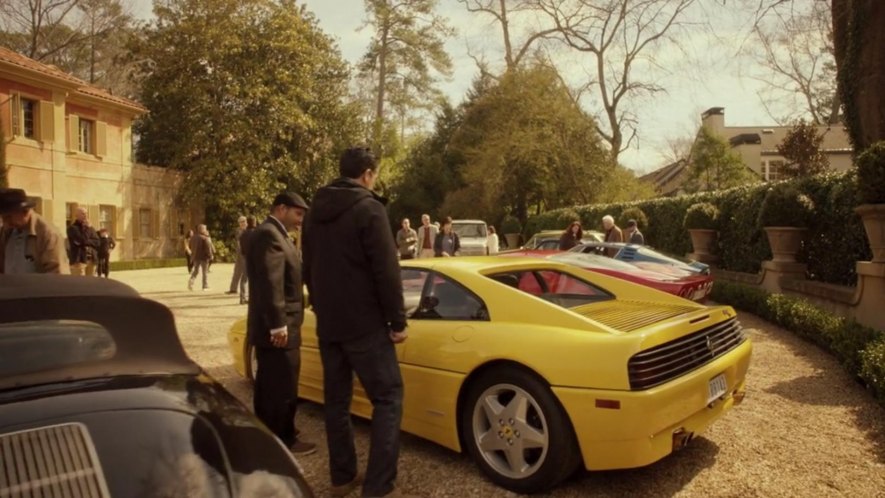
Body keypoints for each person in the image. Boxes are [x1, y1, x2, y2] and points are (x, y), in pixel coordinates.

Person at [302, 147, 409, 498]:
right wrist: (397, 321)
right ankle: (378, 487)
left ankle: (342, 477)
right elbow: (386, 271)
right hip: (365, 325)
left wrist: (318, 304)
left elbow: (308, 266)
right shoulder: (369, 208)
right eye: (374, 175)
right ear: (367, 174)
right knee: (389, 397)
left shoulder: (314, 212)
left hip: (329, 324)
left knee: (336, 402)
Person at [246, 192, 316, 456]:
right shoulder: (269, 235)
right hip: (279, 327)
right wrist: (278, 325)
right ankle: (284, 439)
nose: (300, 221)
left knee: (270, 382)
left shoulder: (276, 233)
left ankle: (269, 431)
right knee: (283, 384)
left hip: (278, 325)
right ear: (281, 208)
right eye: (298, 214)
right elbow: (271, 283)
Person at [0, 188, 69, 274]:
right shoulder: (6, 231)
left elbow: (57, 273)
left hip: (36, 287)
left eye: (8, 217)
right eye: (3, 218)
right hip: (11, 286)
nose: (6, 223)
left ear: (25, 211)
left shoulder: (48, 233)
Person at [67, 207, 99, 276]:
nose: (86, 215)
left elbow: (97, 242)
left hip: (91, 259)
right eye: (83, 214)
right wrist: (87, 229)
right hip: (79, 260)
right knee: (79, 284)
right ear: (77, 215)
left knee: (91, 284)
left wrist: (86, 241)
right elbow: (82, 239)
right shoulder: (73, 228)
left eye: (86, 213)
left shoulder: (90, 228)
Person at [237, 216, 257, 304]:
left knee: (244, 279)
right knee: (254, 279)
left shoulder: (243, 234)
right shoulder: (256, 233)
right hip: (255, 257)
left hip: (246, 257)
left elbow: (241, 248)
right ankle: (253, 298)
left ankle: (242, 298)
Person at [188, 224, 214, 290]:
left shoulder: (193, 238)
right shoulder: (205, 238)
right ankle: (205, 286)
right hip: (204, 257)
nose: (206, 230)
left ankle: (191, 281)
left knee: (196, 271)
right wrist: (210, 255)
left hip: (195, 257)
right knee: (204, 272)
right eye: (205, 229)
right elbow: (208, 248)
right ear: (202, 229)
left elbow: (190, 246)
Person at [227, 216, 248, 296]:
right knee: (237, 271)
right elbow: (238, 241)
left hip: (245, 254)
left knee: (246, 273)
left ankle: (246, 292)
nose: (242, 223)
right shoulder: (238, 231)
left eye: (243, 221)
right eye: (240, 222)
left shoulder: (249, 230)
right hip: (239, 253)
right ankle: (233, 289)